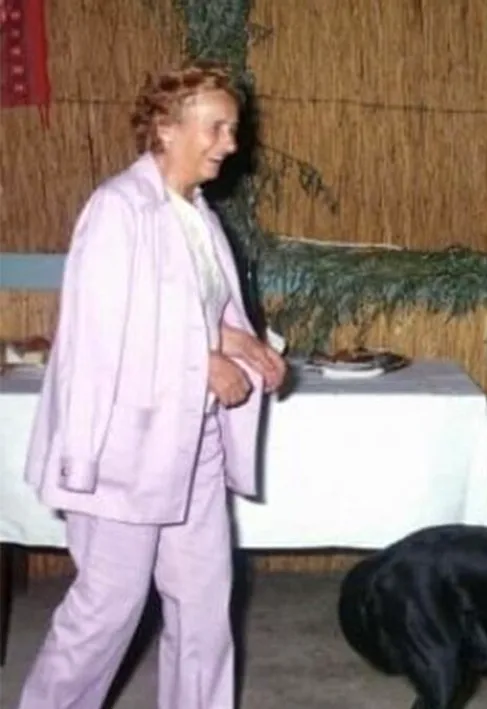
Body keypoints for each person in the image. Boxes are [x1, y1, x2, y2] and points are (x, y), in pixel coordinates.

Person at [17, 60, 286, 709]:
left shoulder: (198, 215)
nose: (230, 143)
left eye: (233, 128)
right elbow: (99, 336)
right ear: (166, 127)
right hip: (122, 446)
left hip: (194, 445)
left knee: (203, 607)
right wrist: (203, 363)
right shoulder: (118, 210)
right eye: (217, 127)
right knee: (106, 609)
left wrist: (242, 341)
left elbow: (189, 309)